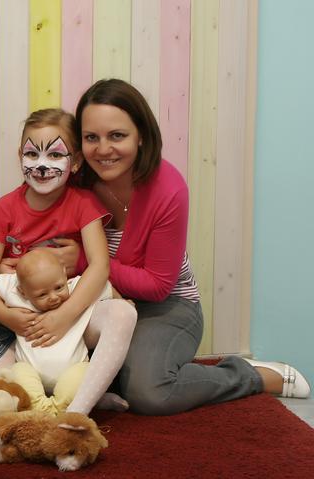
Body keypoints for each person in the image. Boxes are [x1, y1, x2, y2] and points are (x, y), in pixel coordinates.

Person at [48, 78, 309, 415]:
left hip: (166, 306)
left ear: (141, 136)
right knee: (46, 363)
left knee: (148, 391)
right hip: (96, 300)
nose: (103, 149)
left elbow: (157, 286)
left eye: (117, 135)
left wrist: (87, 261)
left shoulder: (167, 189)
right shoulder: (73, 179)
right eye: (91, 138)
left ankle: (251, 375)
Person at [0, 108, 137, 416]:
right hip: (23, 326)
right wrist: (5, 316)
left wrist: (63, 317)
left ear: (75, 162)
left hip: (74, 316)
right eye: (32, 154)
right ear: (20, 155)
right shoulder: (5, 208)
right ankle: (62, 400)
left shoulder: (83, 203)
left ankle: (78, 409)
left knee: (123, 313)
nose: (42, 165)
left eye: (55, 155)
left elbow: (100, 266)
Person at [0, 248, 115, 414]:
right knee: (17, 371)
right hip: (32, 374)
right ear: (23, 291)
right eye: (42, 294)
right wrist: (3, 310)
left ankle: (53, 409)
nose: (53, 297)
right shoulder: (18, 296)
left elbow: (104, 285)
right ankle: (46, 408)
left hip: (72, 371)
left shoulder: (76, 290)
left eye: (58, 287)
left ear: (65, 274)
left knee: (86, 372)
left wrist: (124, 300)